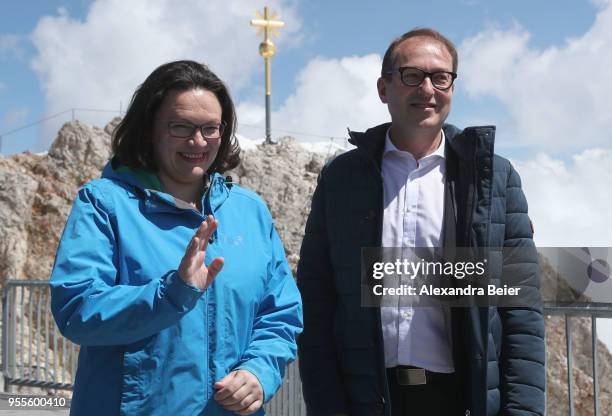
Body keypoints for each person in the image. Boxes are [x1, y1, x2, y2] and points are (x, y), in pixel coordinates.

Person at [297, 28, 545, 416]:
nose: (427, 89)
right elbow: (316, 300)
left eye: (440, 77)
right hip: (366, 398)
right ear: (384, 88)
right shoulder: (342, 179)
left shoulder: (491, 179)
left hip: (459, 399)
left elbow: (521, 308)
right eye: (412, 75)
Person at [50, 60, 302, 416]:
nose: (198, 141)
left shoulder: (250, 211)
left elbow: (280, 313)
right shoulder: (104, 204)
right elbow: (77, 310)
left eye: (210, 128)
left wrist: (259, 371)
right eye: (180, 126)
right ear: (149, 127)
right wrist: (172, 293)